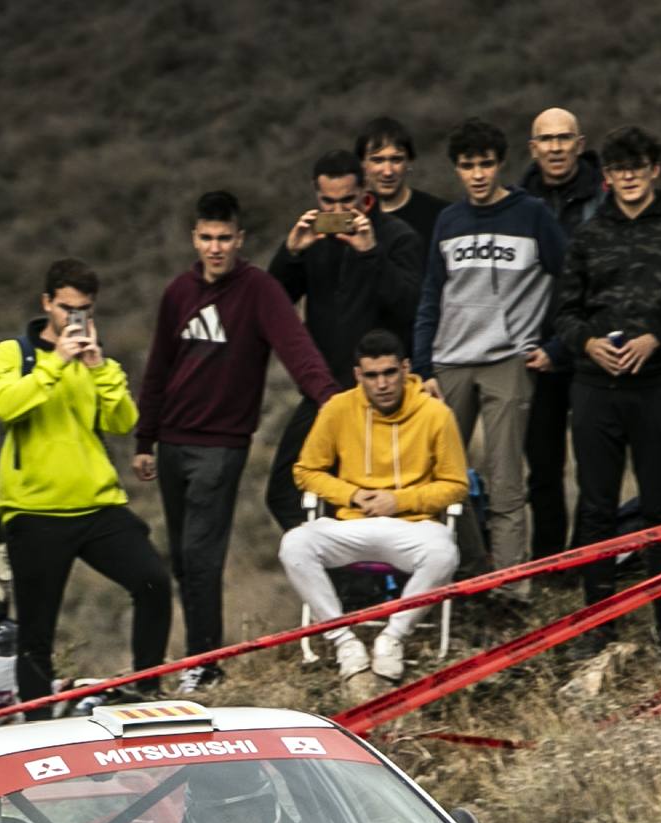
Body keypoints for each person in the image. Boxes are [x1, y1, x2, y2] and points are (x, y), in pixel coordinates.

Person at [134, 190, 337, 690]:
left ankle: (204, 666)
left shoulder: (259, 291)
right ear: (194, 239)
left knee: (203, 556)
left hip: (222, 444)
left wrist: (332, 401)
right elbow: (159, 365)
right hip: (173, 442)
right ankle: (200, 661)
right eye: (207, 237)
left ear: (240, 239)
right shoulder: (178, 293)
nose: (216, 247)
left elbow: (297, 348)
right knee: (182, 557)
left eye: (225, 238)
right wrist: (145, 438)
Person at [552, 125, 661, 664]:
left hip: (659, 385)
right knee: (597, 507)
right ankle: (599, 622)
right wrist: (586, 343)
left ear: (655, 169)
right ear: (606, 176)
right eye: (618, 169)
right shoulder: (587, 234)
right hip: (595, 386)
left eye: (638, 166)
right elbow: (564, 312)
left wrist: (658, 338)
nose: (628, 177)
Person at [0, 259, 171, 713]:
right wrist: (56, 362)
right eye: (66, 308)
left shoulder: (94, 356)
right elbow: (8, 407)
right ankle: (35, 726)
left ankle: (147, 689)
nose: (74, 318)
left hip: (96, 506)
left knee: (153, 582)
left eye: (84, 309)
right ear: (46, 303)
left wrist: (101, 368)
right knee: (37, 633)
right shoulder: (13, 353)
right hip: (34, 510)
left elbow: (125, 420)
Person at [412, 120, 567, 604]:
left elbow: (572, 280)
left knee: (504, 482)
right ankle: (455, 586)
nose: (477, 174)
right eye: (466, 165)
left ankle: (512, 592)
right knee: (438, 483)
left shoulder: (532, 215)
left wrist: (556, 345)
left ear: (500, 163)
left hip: (507, 361)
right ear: (456, 169)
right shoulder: (449, 221)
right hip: (450, 363)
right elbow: (432, 295)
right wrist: (424, 366)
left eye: (485, 164)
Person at [283, 330, 467, 681]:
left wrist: (400, 500)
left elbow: (455, 485)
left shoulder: (435, 414)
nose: (381, 383)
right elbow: (306, 470)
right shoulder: (339, 408)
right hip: (352, 521)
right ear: (358, 375)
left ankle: (392, 637)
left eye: (389, 373)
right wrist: (350, 494)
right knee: (294, 543)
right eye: (371, 375)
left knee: (444, 552)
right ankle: (343, 641)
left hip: (413, 525)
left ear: (405, 368)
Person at [264, 150, 425, 531]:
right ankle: (341, 585)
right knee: (285, 494)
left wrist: (371, 254)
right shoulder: (313, 238)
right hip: (323, 391)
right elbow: (274, 302)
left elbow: (411, 307)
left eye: (347, 201)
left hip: (378, 393)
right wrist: (290, 254)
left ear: (364, 191)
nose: (338, 209)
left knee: (363, 499)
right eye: (328, 202)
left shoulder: (398, 237)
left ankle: (365, 587)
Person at [518, 106, 607, 558]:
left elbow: (604, 274)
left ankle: (589, 555)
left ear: (580, 143)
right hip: (535, 353)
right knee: (543, 464)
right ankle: (548, 559)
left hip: (592, 347)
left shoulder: (605, 197)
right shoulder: (515, 200)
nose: (555, 148)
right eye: (546, 140)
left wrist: (569, 342)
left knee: (594, 462)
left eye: (563, 138)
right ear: (533, 148)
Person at [355, 117, 450, 244]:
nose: (388, 171)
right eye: (378, 160)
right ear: (362, 164)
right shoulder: (352, 216)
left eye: (396, 160)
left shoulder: (440, 215)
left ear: (409, 162)